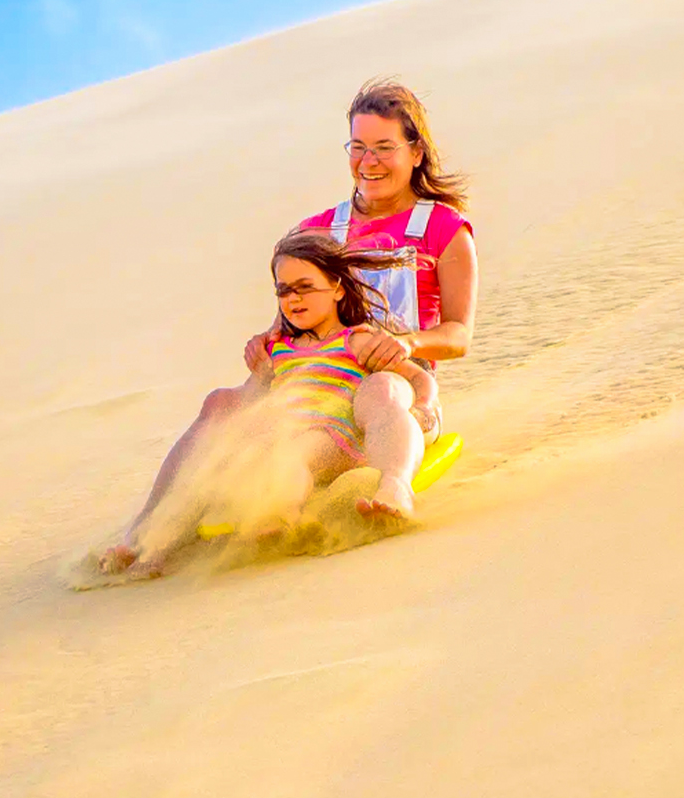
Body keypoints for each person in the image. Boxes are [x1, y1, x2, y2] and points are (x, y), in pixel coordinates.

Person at [115, 78, 478, 550]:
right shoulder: (318, 229)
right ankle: (152, 526)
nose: (368, 162)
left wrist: (406, 344)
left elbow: (457, 336)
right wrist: (263, 342)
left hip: (387, 390)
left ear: (415, 151)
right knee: (220, 404)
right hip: (315, 385)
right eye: (358, 146)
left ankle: (396, 488)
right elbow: (289, 320)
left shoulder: (443, 229)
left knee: (382, 386)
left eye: (384, 147)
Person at [102, 232, 437, 576]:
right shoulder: (278, 349)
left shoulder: (358, 339)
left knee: (294, 453)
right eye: (284, 290)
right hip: (280, 433)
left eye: (305, 287)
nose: (293, 299)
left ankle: (390, 490)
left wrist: (425, 406)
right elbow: (245, 401)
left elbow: (417, 378)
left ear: (337, 288)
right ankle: (154, 534)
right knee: (221, 406)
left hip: (332, 436)